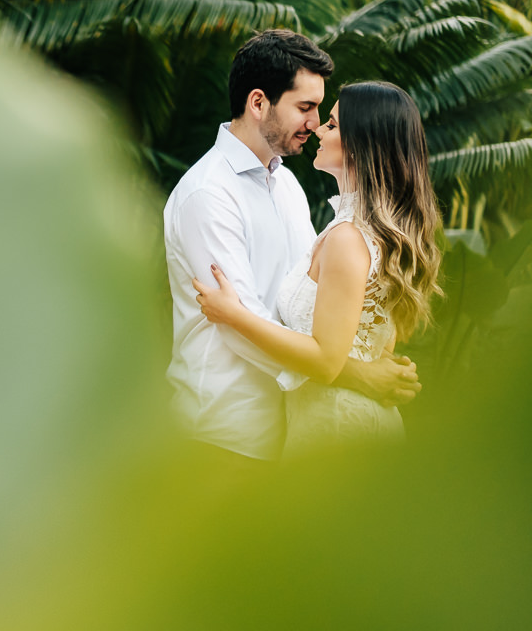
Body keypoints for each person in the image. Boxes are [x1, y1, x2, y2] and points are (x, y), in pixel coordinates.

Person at [163, 30, 420, 464]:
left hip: (293, 431)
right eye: (306, 107)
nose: (316, 124)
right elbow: (238, 322)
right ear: (259, 103)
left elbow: (309, 300)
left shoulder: (285, 184)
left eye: (321, 110)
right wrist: (355, 375)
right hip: (226, 432)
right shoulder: (208, 194)